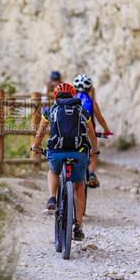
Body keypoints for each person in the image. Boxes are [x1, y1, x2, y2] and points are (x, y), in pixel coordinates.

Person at [31, 82, 99, 241]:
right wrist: (94, 149)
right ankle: (78, 227)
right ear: (72, 95)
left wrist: (35, 147)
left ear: (55, 96)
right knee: (78, 185)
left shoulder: (50, 110)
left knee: (53, 170)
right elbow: (92, 135)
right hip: (79, 153)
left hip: (57, 153)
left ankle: (52, 198)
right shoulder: (81, 110)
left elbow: (40, 133)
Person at [73, 74, 112, 188]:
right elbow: (100, 119)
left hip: (72, 131)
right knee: (92, 150)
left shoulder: (70, 101)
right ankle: (91, 174)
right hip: (87, 132)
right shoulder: (91, 102)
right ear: (90, 88)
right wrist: (106, 130)